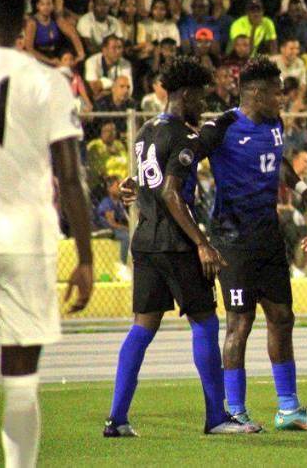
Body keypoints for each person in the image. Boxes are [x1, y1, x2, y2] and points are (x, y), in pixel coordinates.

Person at [104, 57, 254, 437]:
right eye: (199, 97)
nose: (202, 104)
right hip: (175, 242)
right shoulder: (180, 137)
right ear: (184, 95)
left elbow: (142, 183)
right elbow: (172, 192)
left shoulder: (144, 133)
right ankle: (216, 418)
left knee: (142, 327)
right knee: (205, 322)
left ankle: (117, 419)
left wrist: (130, 188)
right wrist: (202, 243)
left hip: (145, 241)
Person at [195, 58, 307, 431]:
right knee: (239, 323)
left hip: (269, 237)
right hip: (233, 240)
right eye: (276, 91)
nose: (283, 98)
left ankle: (288, 409)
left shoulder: (273, 123)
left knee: (282, 317)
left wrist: (303, 190)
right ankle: (235, 410)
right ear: (254, 92)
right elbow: (186, 161)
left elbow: (279, 161)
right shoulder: (221, 127)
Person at [0, 0, 93, 468]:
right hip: (26, 238)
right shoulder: (47, 81)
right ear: (25, 26)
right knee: (18, 378)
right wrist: (87, 258)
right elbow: (70, 178)